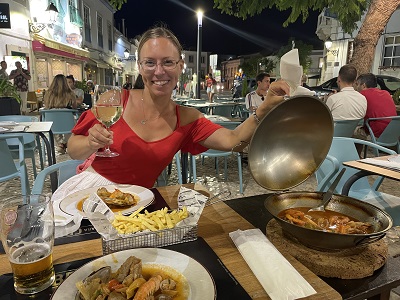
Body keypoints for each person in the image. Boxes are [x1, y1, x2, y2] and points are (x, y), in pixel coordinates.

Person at [61, 26, 288, 194]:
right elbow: (73, 149)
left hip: (136, 206)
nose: (159, 71)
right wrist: (91, 143)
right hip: (88, 192)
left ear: (180, 66)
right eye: (150, 63)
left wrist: (266, 107)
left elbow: (233, 139)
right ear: (140, 67)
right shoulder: (114, 100)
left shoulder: (187, 119)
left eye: (168, 62)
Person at [353, 73, 397, 139]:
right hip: (393, 134)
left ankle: (354, 149)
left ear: (363, 85)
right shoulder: (386, 93)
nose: (356, 87)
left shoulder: (362, 95)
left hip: (375, 135)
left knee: (350, 131)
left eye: (357, 84)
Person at [44, 74, 77, 154]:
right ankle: (63, 143)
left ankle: (60, 143)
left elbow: (46, 106)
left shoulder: (48, 94)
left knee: (55, 126)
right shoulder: (71, 94)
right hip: (67, 122)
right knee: (73, 124)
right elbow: (74, 108)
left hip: (51, 123)